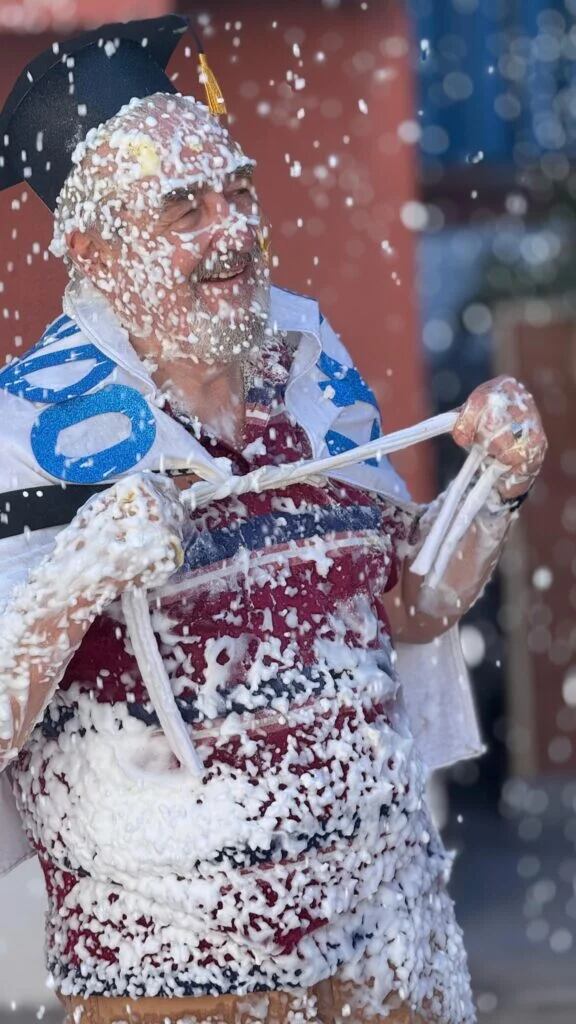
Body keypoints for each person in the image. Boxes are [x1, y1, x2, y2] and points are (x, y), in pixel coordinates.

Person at [0, 15, 547, 1024]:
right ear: (92, 251)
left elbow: (409, 603)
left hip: (394, 948)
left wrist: (491, 485)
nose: (234, 229)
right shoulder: (27, 430)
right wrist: (82, 568)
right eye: (183, 207)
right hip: (174, 977)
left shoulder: (305, 369)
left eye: (238, 191)